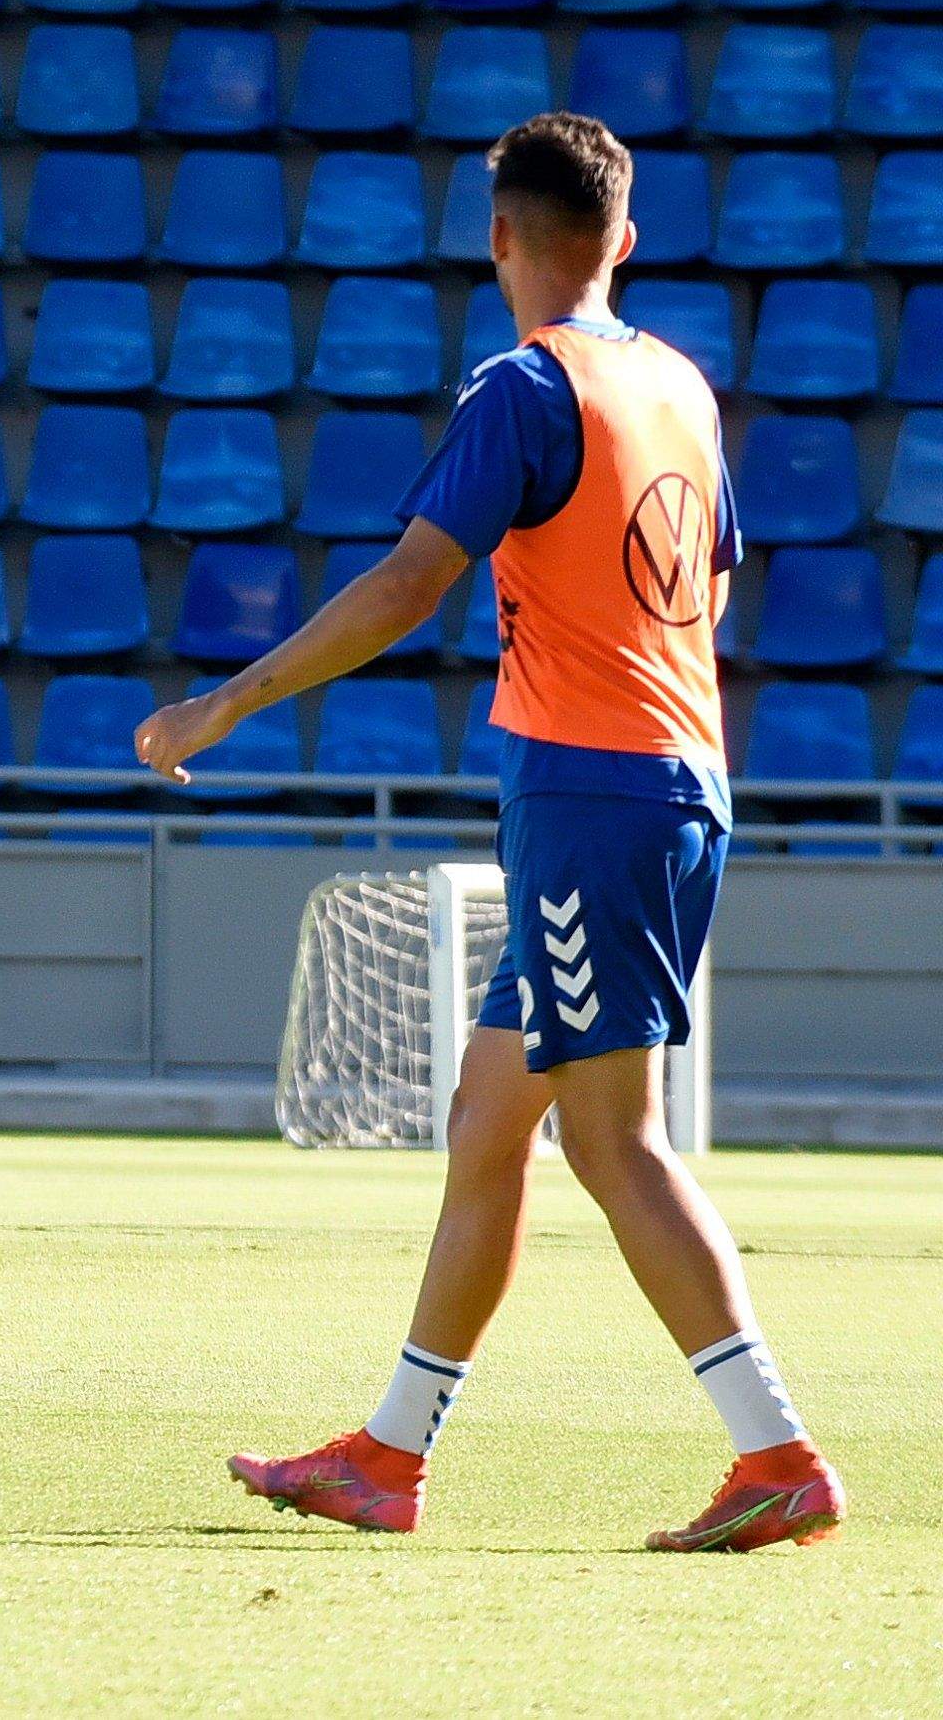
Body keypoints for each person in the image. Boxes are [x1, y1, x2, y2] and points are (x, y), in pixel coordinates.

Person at [141, 114, 844, 1551]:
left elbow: (411, 581)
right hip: (665, 780)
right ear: (625, 237)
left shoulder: (528, 388)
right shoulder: (680, 384)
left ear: (498, 235)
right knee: (489, 1120)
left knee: (613, 1138)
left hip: (595, 796)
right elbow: (706, 594)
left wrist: (228, 700)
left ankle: (774, 1447)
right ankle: (386, 1456)